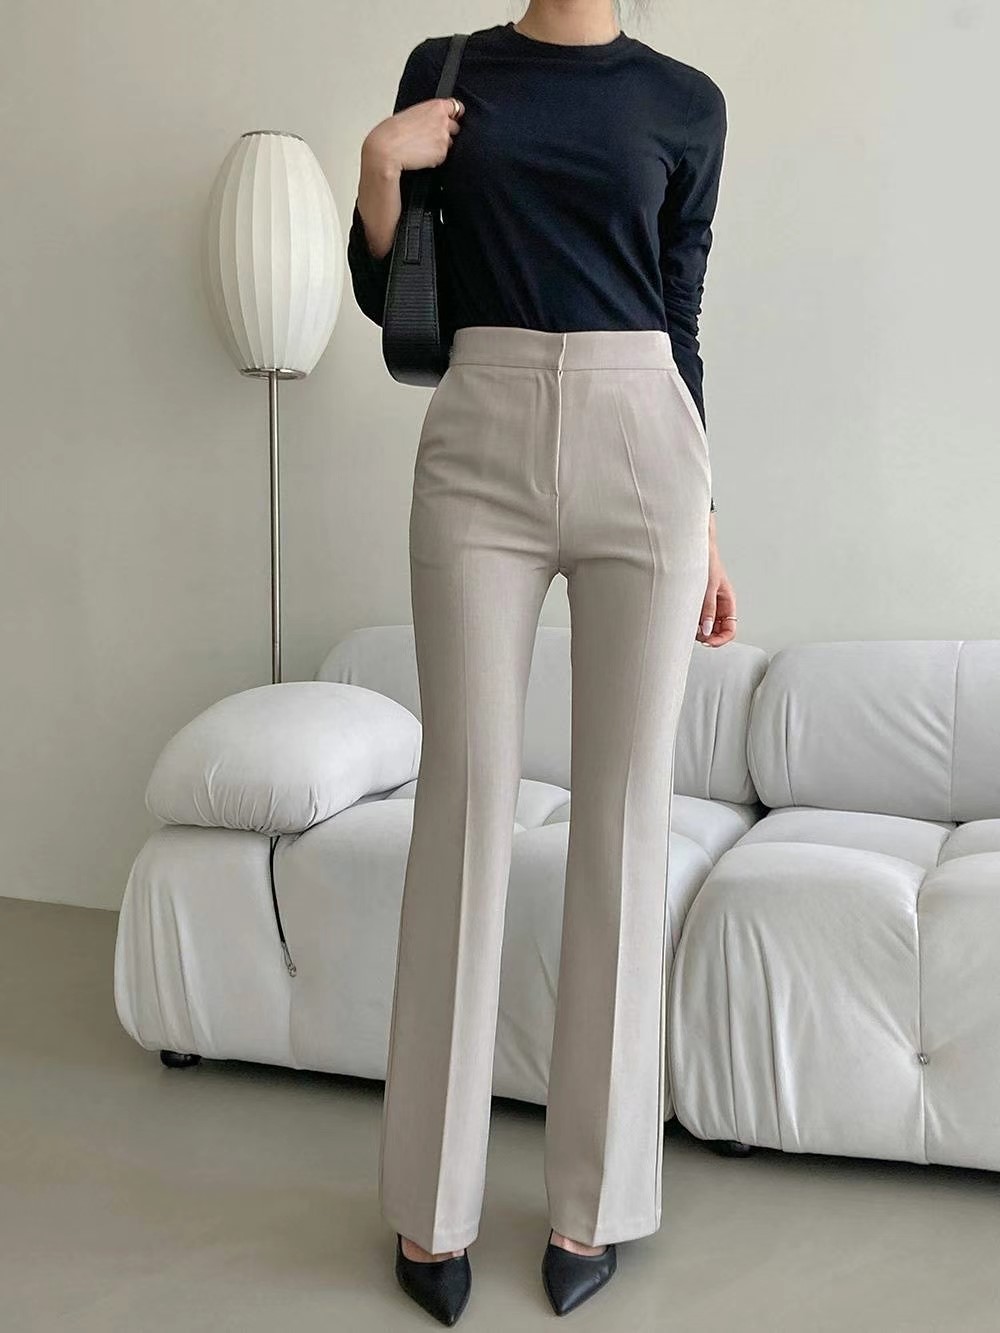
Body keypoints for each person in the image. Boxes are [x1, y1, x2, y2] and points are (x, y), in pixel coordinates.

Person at [347, 1, 737, 1321]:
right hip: (480, 443)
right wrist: (379, 164)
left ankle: (596, 1203)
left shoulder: (686, 102)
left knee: (624, 824)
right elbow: (386, 296)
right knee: (463, 804)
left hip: (646, 450)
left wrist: (710, 523)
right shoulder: (449, 69)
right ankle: (431, 1207)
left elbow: (681, 316)